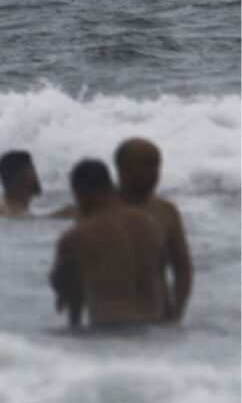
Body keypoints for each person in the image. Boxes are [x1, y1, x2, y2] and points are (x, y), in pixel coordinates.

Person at [50, 159, 167, 329]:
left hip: (110, 332)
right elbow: (162, 276)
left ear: (80, 193)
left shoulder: (78, 235)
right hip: (156, 329)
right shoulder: (149, 224)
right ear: (111, 185)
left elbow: (60, 282)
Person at [115, 137, 193, 322]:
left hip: (158, 318)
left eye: (158, 166)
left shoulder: (166, 212)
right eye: (148, 165)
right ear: (124, 168)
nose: (156, 173)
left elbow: (182, 266)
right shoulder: (99, 209)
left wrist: (177, 314)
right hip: (111, 322)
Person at [0, 150, 42, 217]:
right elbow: (36, 221)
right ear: (26, 175)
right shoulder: (14, 212)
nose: (38, 176)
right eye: (33, 170)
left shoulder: (1, 209)